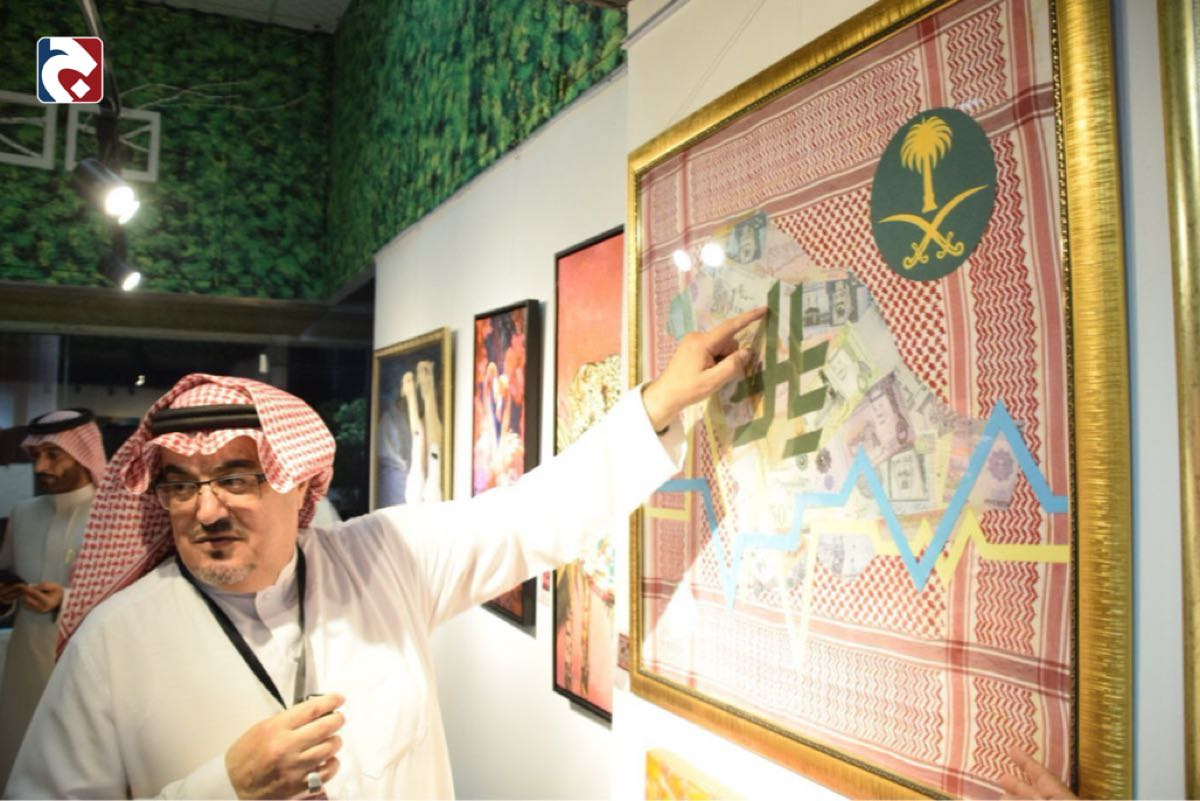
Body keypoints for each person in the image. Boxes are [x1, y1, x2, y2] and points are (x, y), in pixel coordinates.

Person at [5, 307, 766, 800]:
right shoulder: (114, 643)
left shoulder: (382, 561)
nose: (205, 509)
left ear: (296, 482)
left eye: (235, 478)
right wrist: (224, 786)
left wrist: (660, 403)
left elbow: (528, 517)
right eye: (180, 485)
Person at [0, 408, 106, 790]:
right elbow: (9, 574)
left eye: (53, 455)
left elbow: (126, 598)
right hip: (26, 662)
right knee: (16, 755)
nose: (40, 466)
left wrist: (65, 599)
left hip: (84, 667)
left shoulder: (110, 516)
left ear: (81, 454)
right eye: (36, 455)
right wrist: (6, 597)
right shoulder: (23, 514)